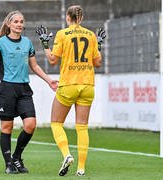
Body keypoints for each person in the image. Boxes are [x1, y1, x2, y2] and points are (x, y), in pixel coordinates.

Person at [0, 10, 58, 175]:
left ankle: (17, 156)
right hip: (7, 90)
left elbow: (34, 66)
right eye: (16, 22)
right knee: (7, 127)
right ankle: (9, 163)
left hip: (24, 89)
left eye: (21, 22)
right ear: (9, 24)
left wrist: (49, 80)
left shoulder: (28, 42)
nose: (19, 24)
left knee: (30, 125)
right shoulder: (1, 43)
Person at [35, 5, 106, 177]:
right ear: (81, 18)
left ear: (68, 18)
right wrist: (99, 44)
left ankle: (67, 155)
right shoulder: (90, 35)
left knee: (56, 123)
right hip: (87, 85)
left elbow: (52, 60)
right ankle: (81, 169)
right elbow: (97, 63)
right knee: (82, 127)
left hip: (69, 84)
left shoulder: (62, 34)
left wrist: (45, 43)